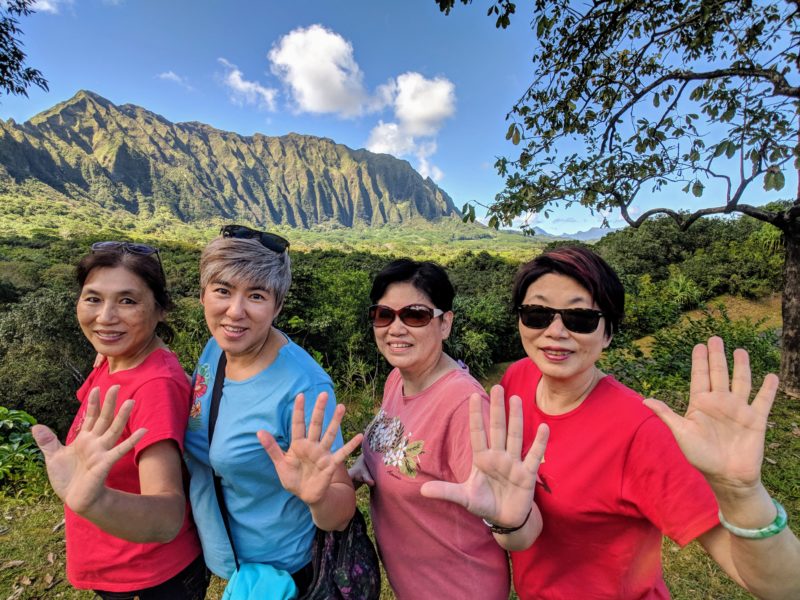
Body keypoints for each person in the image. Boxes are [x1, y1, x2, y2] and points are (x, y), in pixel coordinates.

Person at [421, 245, 800, 599]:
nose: (555, 332)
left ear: (608, 334)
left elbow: (776, 585)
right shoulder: (517, 381)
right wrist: (507, 522)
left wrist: (742, 494)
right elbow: (517, 529)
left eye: (580, 318)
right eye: (536, 314)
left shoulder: (641, 431)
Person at [182, 225, 360, 595]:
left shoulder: (303, 387)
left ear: (277, 306)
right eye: (223, 291)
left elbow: (340, 507)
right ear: (203, 295)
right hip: (228, 559)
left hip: (282, 573)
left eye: (257, 296)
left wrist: (319, 496)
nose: (235, 311)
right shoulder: (216, 348)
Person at [349, 259, 541, 599]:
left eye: (415, 315)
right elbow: (402, 451)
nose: (396, 328)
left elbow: (503, 513)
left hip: (458, 588)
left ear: (445, 323)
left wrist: (513, 523)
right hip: (414, 585)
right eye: (384, 315)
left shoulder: (463, 405)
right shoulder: (398, 378)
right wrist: (365, 465)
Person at [31, 241, 207, 599]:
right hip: (119, 563)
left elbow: (167, 515)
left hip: (148, 577)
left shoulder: (154, 386)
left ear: (160, 310)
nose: (105, 317)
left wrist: (94, 501)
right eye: (93, 298)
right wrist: (106, 349)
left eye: (128, 301)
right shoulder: (118, 357)